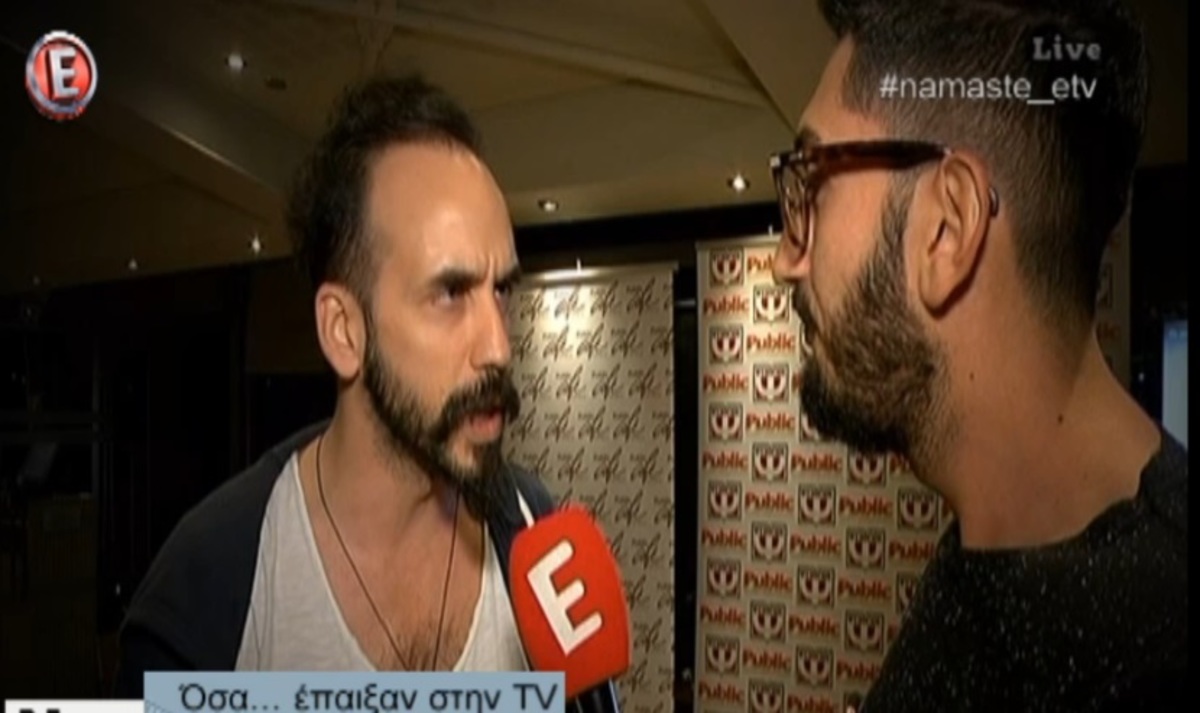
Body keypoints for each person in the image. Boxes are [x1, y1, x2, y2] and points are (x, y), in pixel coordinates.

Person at [770, 1, 1186, 711]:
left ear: (947, 228)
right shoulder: (993, 550)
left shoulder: (1158, 643)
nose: (786, 260)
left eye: (811, 179)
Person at [114, 75, 557, 693]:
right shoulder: (211, 586)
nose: (498, 347)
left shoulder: (533, 531)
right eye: (451, 293)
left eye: (501, 290)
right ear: (344, 331)